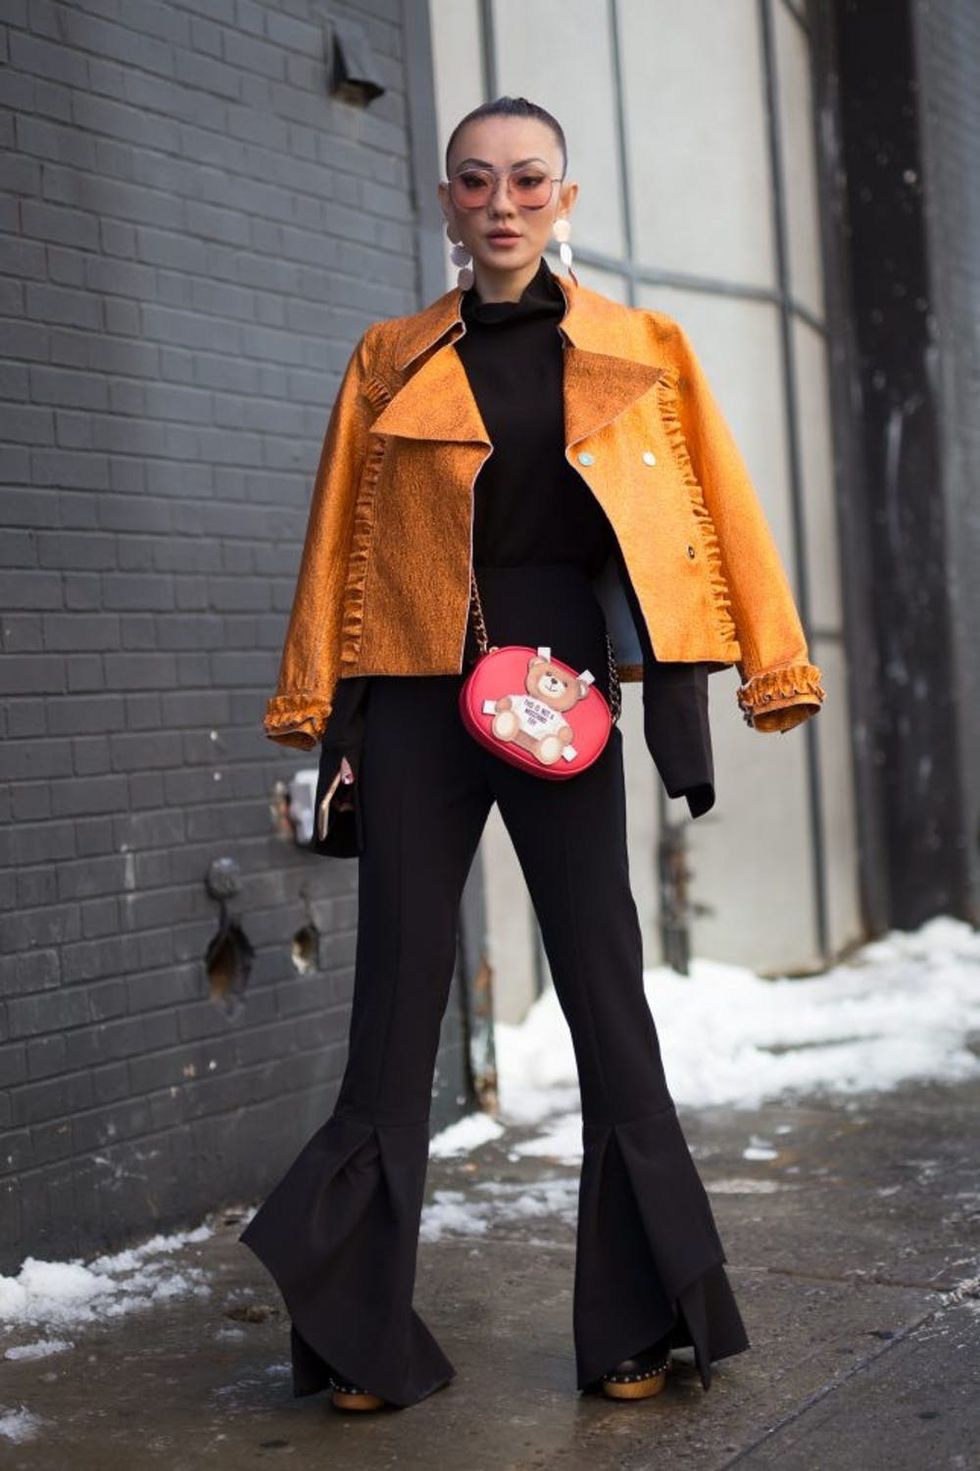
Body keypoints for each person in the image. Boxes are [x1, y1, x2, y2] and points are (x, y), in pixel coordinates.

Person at [240, 96, 826, 1414]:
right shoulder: (389, 356)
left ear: (564, 199)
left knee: (607, 992)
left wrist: (768, 663)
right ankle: (360, 1339)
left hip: (558, 686)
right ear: (445, 202)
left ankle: (637, 1326)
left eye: (527, 180)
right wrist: (320, 717)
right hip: (410, 691)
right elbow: (336, 546)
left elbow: (717, 501)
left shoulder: (639, 347)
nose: (500, 202)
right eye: (474, 181)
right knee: (394, 1005)